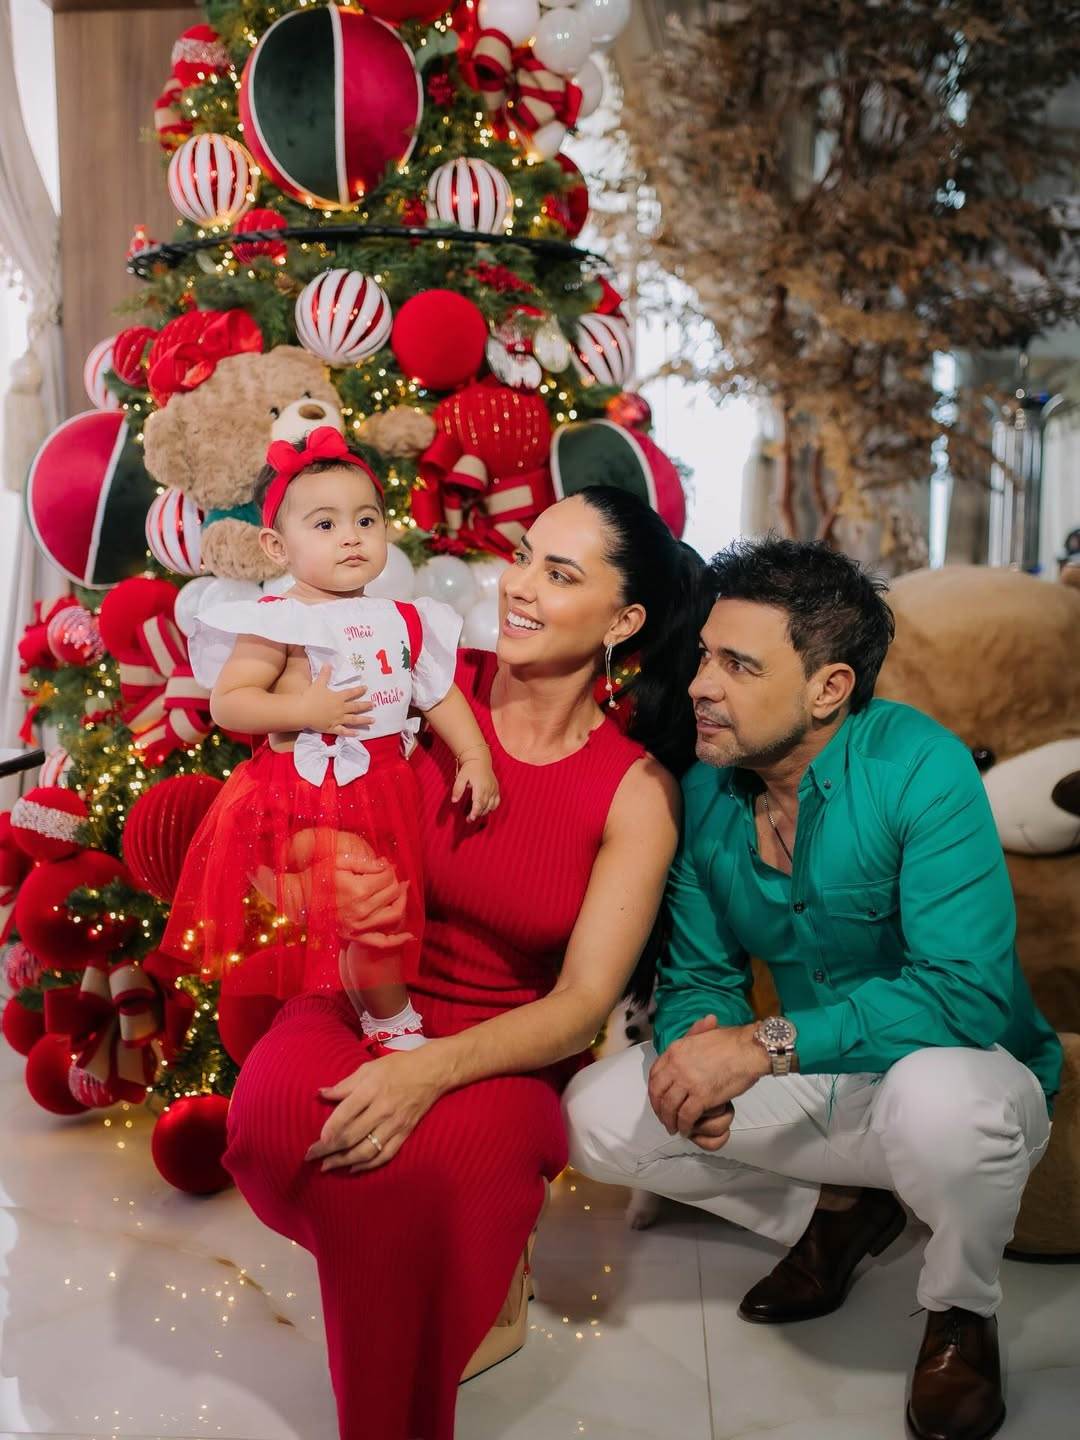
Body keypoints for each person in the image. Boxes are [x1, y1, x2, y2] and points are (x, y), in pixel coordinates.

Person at [217, 487, 708, 1439]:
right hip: (361, 997)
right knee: (281, 1116)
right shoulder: (416, 674)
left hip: (505, 1044)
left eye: (558, 574)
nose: (517, 585)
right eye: (522, 555)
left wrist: (426, 1073)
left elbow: (582, 1006)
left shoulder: (636, 789)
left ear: (624, 622)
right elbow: (275, 822)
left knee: (409, 1177)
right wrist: (320, 877)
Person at [564, 536, 1062, 1440]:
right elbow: (701, 976)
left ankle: (960, 1310)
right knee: (596, 1116)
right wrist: (698, 1050)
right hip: (823, 1072)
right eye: (705, 656)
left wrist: (758, 1047)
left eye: (738, 665)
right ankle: (841, 1211)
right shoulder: (706, 792)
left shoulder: (921, 767)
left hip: (959, 1066)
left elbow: (964, 996)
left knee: (941, 1105)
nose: (701, 684)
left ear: (829, 688)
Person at [164, 426, 499, 1052]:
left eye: (366, 520)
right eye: (324, 524)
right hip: (305, 796)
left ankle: (373, 1001)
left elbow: (438, 694)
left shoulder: (403, 619)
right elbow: (228, 700)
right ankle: (390, 1018)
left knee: (384, 905)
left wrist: (474, 754)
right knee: (366, 894)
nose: (351, 536)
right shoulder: (279, 621)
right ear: (277, 545)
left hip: (383, 789)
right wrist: (304, 708)